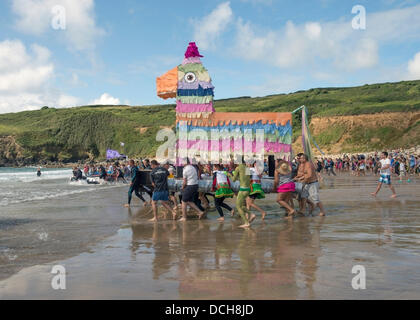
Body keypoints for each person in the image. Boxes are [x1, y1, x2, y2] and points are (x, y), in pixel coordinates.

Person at [232, 158, 256, 229]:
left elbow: (233, 180)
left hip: (242, 189)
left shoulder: (238, 168)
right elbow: (247, 179)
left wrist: (229, 175)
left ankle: (246, 222)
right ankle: (251, 214)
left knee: (238, 206)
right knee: (242, 206)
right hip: (248, 189)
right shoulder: (247, 168)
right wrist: (239, 177)